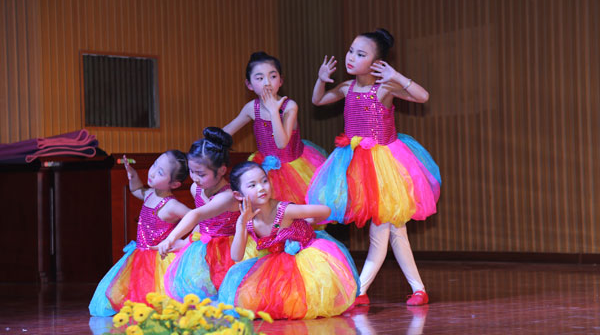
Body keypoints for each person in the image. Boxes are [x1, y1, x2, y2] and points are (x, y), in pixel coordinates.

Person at [307, 28, 441, 306]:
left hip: (386, 168)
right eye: (351, 51)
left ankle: (359, 291)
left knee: (381, 231)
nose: (351, 57)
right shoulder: (347, 88)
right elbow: (317, 100)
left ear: (377, 63)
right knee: (396, 232)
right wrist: (321, 80)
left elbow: (423, 96)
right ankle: (418, 290)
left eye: (360, 54)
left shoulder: (385, 88)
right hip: (356, 167)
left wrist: (397, 76)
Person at [218, 161, 359, 320]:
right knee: (250, 300)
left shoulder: (285, 210)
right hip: (277, 265)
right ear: (239, 195)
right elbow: (236, 256)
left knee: (303, 299)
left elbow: (325, 211)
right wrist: (242, 224)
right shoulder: (247, 221)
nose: (261, 188)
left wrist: (310, 221)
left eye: (264, 181)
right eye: (252, 185)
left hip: (307, 261)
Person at [155, 127, 252, 302]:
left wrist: (171, 238)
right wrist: (185, 242)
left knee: (227, 298)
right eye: (192, 171)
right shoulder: (196, 188)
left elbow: (196, 215)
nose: (194, 178)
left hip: (229, 251)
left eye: (201, 174)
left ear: (222, 170)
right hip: (204, 248)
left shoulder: (227, 196)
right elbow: (202, 224)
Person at [89, 150, 191, 316]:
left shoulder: (172, 205)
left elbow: (195, 217)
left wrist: (185, 241)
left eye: (160, 172)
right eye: (154, 165)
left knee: (156, 295)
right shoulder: (150, 193)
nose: (152, 172)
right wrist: (133, 175)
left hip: (159, 259)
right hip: (139, 255)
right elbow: (136, 190)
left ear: (174, 184)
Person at [223, 51, 326, 206]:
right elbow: (228, 130)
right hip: (264, 171)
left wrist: (273, 112)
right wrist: (209, 140)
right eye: (259, 78)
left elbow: (281, 143)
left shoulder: (289, 106)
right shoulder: (252, 108)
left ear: (281, 80)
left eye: (272, 76)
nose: (267, 83)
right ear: (249, 84)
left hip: (294, 170)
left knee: (295, 212)